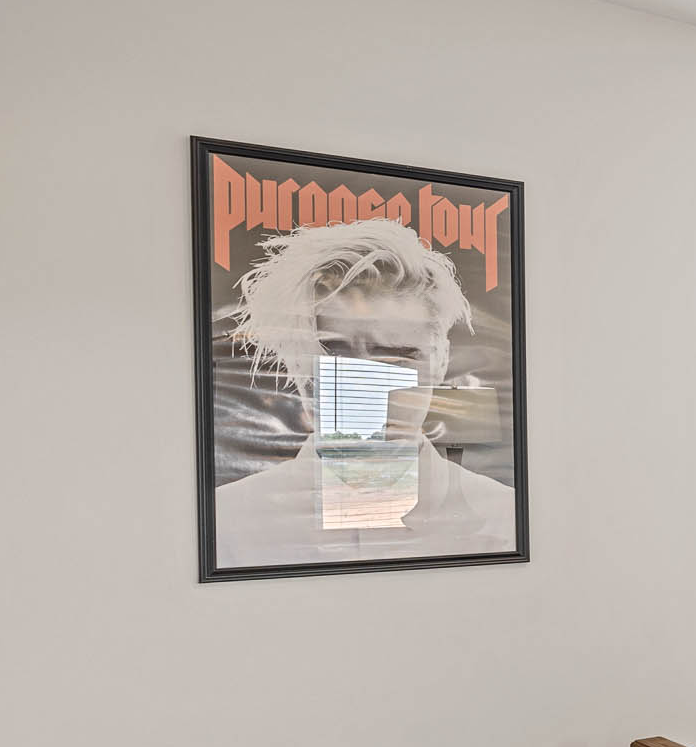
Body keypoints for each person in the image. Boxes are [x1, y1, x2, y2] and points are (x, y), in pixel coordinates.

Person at [212, 218, 516, 569]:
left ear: (441, 360)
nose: (368, 384)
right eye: (337, 352)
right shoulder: (229, 525)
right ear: (298, 363)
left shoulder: (504, 519)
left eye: (400, 354)